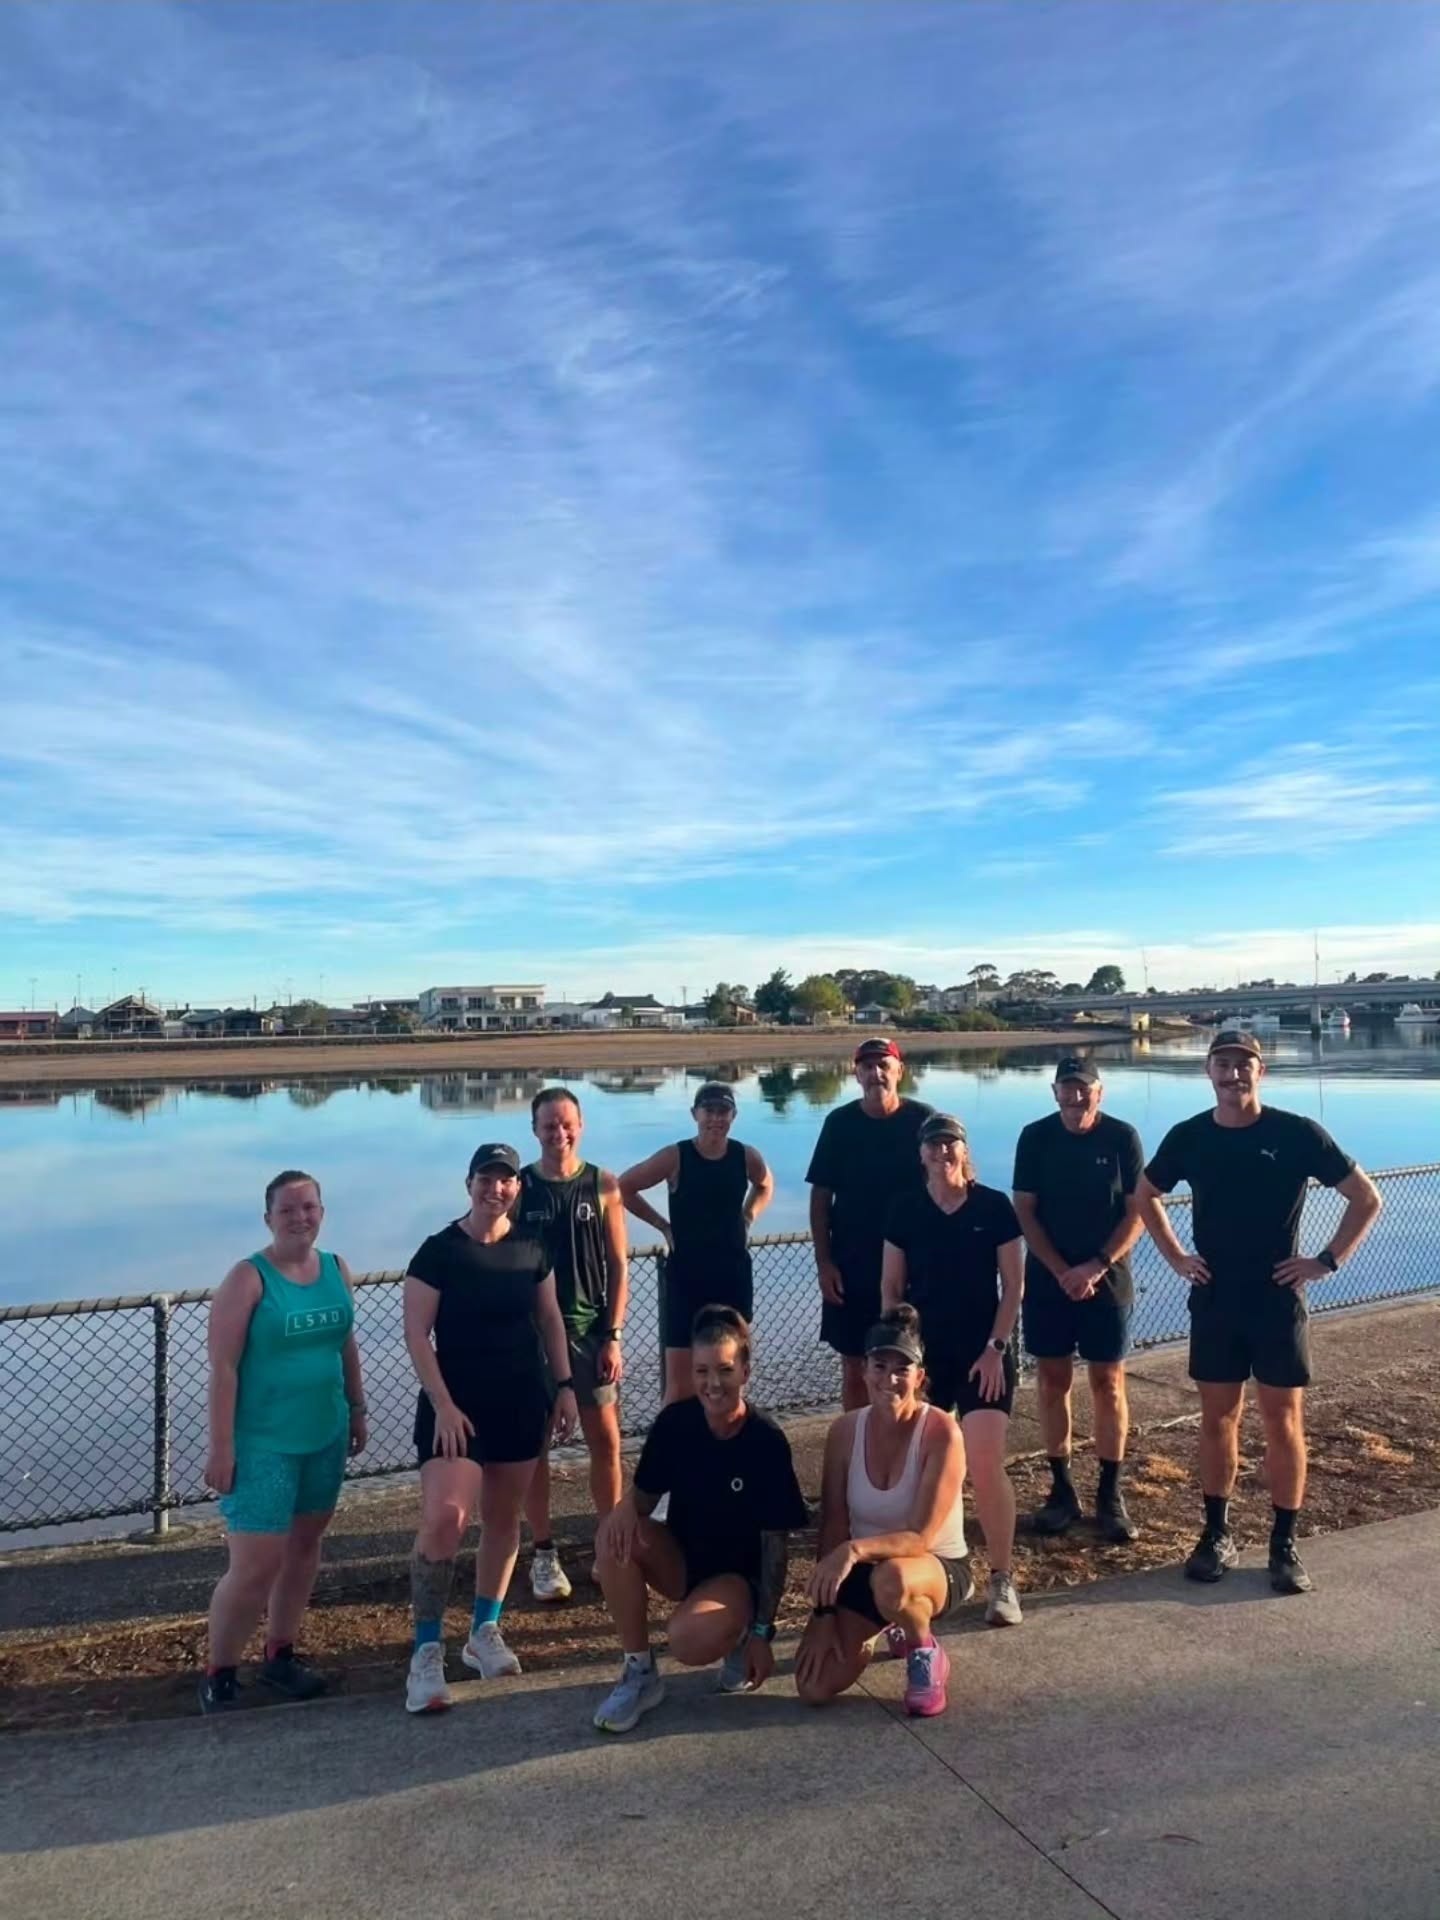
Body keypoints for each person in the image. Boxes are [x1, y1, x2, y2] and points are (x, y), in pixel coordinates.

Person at [1137, 1031, 1382, 1594]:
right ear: (1209, 1071)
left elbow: (1366, 1198)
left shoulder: (1296, 1133)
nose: (1233, 1074)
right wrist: (1175, 1255)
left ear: (1260, 1072)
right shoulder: (1190, 1136)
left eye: (1243, 1065)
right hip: (1217, 1299)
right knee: (1218, 1421)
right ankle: (1216, 1534)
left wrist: (1327, 1260)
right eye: (1223, 1064)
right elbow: (1144, 1194)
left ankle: (1283, 1544)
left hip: (1277, 1301)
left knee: (1283, 1422)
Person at [402, 1144, 579, 1713]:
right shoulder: (438, 1252)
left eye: (505, 1180)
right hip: (456, 1409)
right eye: (486, 1178)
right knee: (446, 1519)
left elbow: (550, 1319)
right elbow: (415, 1336)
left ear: (516, 1188)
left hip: (521, 1400)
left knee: (503, 1523)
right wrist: (445, 1405)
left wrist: (566, 1387)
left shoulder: (531, 1247)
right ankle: (426, 1653)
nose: (495, 1189)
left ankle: (484, 1632)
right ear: (469, 1183)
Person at [591, 1305, 808, 1733]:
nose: (713, 1384)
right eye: (702, 1371)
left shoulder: (766, 1440)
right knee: (612, 1537)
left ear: (745, 1372)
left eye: (725, 1370)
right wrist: (617, 1517)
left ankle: (739, 1635)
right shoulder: (675, 1424)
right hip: (684, 1561)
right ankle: (640, 1672)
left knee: (687, 1641)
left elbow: (776, 1548)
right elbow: (643, 1497)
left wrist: (764, 1631)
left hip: (736, 1579)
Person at [200, 1170, 367, 1713]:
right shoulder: (248, 1279)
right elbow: (223, 1369)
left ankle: (280, 1654)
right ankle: (220, 1672)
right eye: (288, 1210)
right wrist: (221, 1447)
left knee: (303, 1549)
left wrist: (358, 1406)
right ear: (268, 1217)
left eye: (309, 1207)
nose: (300, 1218)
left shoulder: (336, 1268)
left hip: (324, 1431)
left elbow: (344, 1344)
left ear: (322, 1211)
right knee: (254, 1565)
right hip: (264, 1442)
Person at [882, 1113, 1024, 1628]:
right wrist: (902, 1360)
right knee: (923, 1468)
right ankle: (928, 1570)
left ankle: (1002, 1579)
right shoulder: (904, 1209)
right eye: (934, 1145)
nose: (942, 1153)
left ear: (964, 1151)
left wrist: (995, 1347)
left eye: (951, 1144)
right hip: (927, 1358)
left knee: (984, 1464)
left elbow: (1013, 1287)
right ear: (921, 1154)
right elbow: (891, 1291)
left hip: (984, 1352)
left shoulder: (994, 1207)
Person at [794, 1306, 970, 1717]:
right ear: (862, 1370)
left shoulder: (942, 1431)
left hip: (935, 1567)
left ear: (919, 1378)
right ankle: (886, 1623)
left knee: (892, 1580)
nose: (889, 1379)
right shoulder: (843, 1432)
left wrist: (854, 1551)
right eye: (879, 1365)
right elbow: (833, 1526)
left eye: (902, 1368)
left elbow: (920, 1537)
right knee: (813, 1687)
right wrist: (823, 1614)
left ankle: (924, 1650)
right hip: (868, 1572)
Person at [1012, 1056, 1146, 1543]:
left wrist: (1096, 1265)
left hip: (1106, 1279)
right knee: (1052, 1381)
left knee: (1108, 1383)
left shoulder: (1122, 1138)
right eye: (1066, 1090)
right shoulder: (1035, 1137)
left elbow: (1137, 1211)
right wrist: (1060, 1269)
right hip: (1050, 1280)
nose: (1075, 1099)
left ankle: (1110, 1494)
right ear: (1054, 1092)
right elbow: (1024, 1209)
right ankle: (1062, 1490)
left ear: (1099, 1092)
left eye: (1083, 1090)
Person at [517, 1087, 629, 1602]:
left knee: (604, 1441)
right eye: (547, 1125)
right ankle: (544, 1553)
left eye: (565, 1124)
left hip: (589, 1334)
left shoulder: (602, 1183)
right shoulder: (519, 1188)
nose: (557, 1133)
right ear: (535, 1129)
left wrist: (613, 1334)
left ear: (580, 1125)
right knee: (534, 1449)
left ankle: (612, 1545)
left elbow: (619, 1264)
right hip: (534, 1340)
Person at [619, 1082, 775, 1404]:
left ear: (733, 1115)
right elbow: (625, 1187)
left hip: (733, 1276)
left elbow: (764, 1185)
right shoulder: (675, 1156)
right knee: (680, 1385)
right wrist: (662, 1225)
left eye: (724, 1111)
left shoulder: (745, 1156)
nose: (716, 1119)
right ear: (695, 1114)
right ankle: (671, 1451)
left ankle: (729, 1446)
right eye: (709, 1111)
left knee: (733, 1375)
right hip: (687, 1278)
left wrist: (748, 1217)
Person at [807, 1038, 933, 1410]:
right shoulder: (839, 1123)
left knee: (915, 1363)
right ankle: (860, 1452)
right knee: (855, 1366)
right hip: (851, 1264)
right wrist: (824, 1262)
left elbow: (946, 1186)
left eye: (884, 1065)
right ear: (855, 1073)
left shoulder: (922, 1120)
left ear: (899, 1071)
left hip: (914, 1265)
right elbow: (819, 1199)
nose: (876, 1074)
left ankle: (913, 1451)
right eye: (867, 1067)